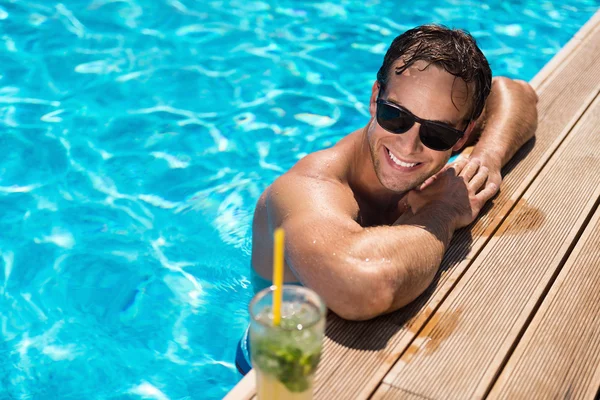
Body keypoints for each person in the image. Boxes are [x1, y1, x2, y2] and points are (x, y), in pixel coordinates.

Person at [252, 24, 538, 321]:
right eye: (396, 115)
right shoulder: (305, 186)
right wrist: (444, 210)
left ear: (463, 135)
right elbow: (364, 287)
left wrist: (485, 159)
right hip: (282, 349)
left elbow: (516, 92)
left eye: (436, 132)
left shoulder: (445, 135)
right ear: (376, 100)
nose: (409, 145)